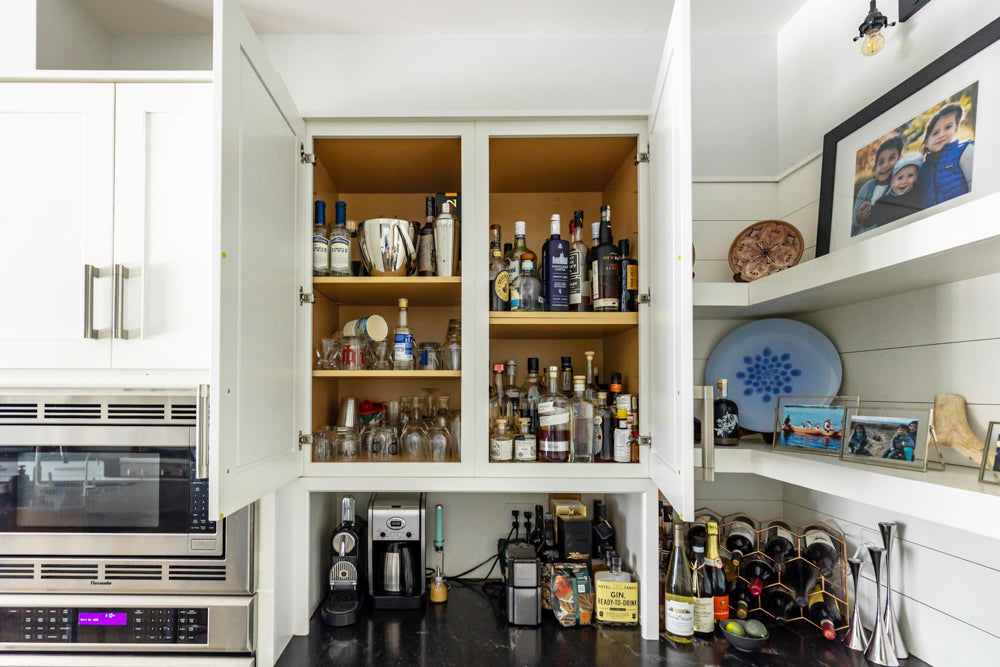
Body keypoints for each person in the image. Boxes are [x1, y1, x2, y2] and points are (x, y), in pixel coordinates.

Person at [917, 103, 974, 208]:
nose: (941, 135)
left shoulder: (964, 151)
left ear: (956, 128)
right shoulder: (921, 170)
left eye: (948, 127)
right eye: (935, 133)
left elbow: (974, 186)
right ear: (926, 141)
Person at [852, 136, 903, 235]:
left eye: (892, 158)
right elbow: (852, 226)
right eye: (881, 162)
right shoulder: (866, 189)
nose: (885, 165)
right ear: (874, 169)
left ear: (900, 160)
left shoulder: (899, 186)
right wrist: (859, 218)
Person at [865, 152, 924, 229]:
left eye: (910, 176)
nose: (904, 181)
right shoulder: (883, 202)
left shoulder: (916, 194)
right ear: (892, 182)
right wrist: (865, 214)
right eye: (900, 178)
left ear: (915, 177)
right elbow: (869, 222)